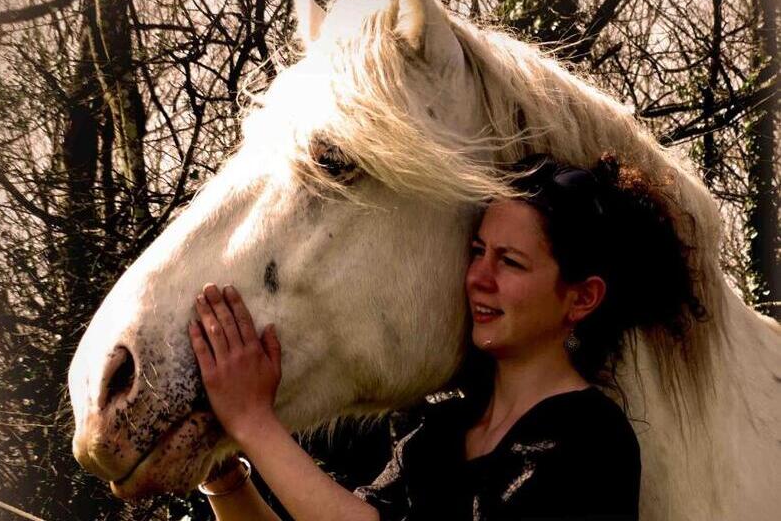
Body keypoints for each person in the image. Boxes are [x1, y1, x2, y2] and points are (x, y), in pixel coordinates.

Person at [187, 154, 705, 521]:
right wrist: (225, 477)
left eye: (510, 261)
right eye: (478, 250)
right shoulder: (443, 425)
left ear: (582, 298)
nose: (479, 276)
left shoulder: (591, 445)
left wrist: (254, 420)